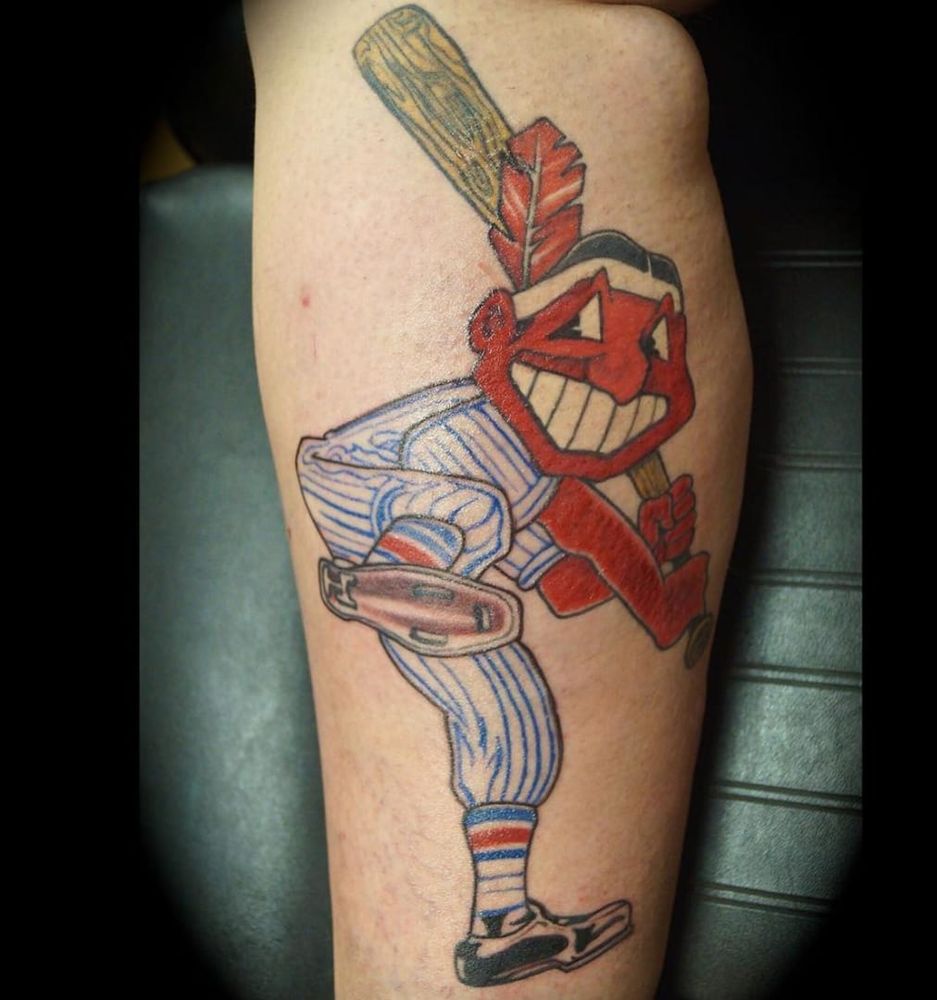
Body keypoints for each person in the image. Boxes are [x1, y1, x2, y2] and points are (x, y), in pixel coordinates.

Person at [245, 1, 751, 995]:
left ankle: (502, 922)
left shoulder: (558, 480)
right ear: (493, 333)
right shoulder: (472, 429)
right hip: (368, 487)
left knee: (517, 720)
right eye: (593, 333)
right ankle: (402, 576)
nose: (621, 375)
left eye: (648, 353)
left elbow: (576, 570)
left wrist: (662, 591)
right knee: (472, 504)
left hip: (476, 550)